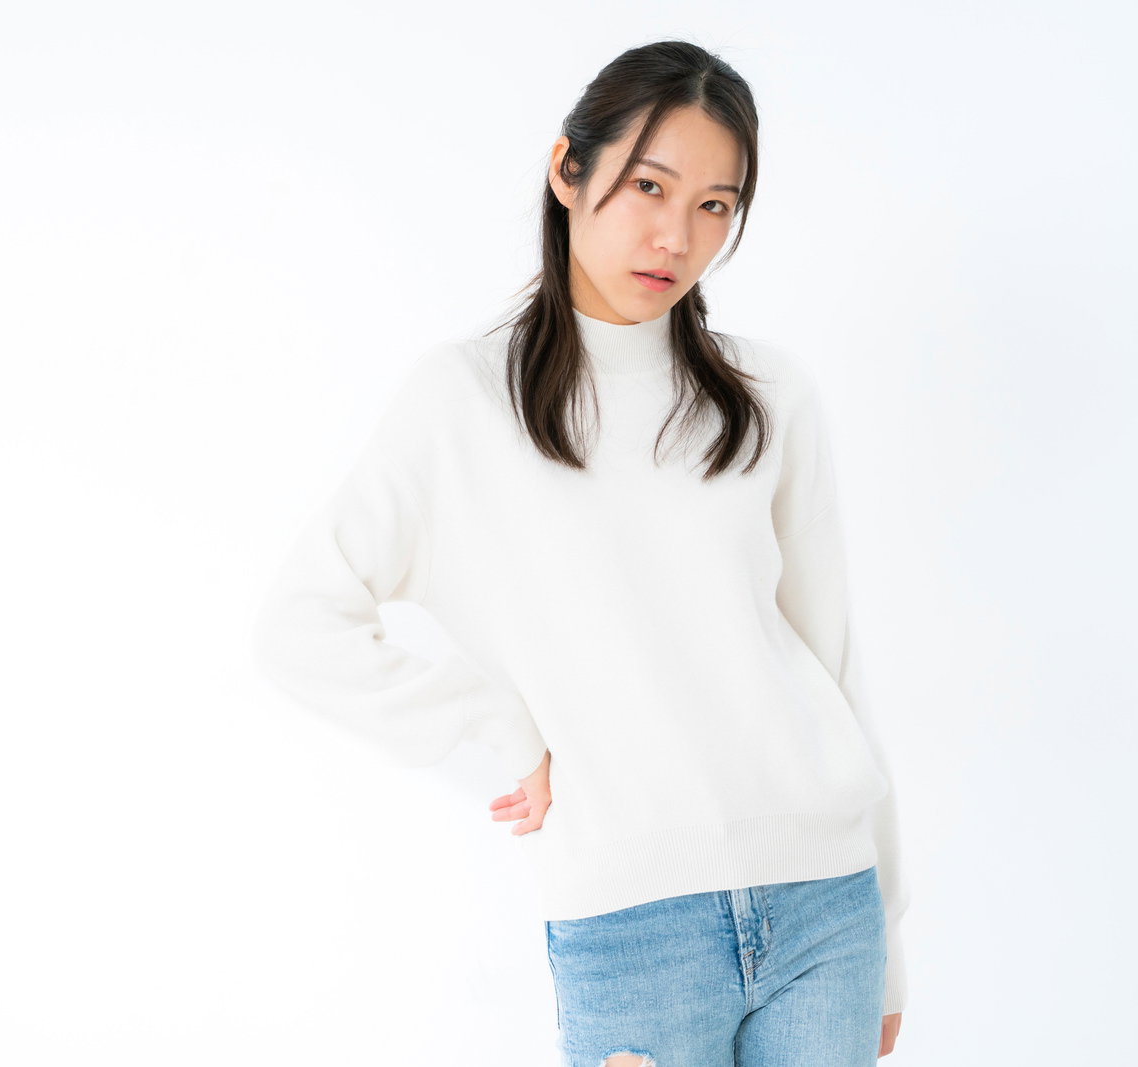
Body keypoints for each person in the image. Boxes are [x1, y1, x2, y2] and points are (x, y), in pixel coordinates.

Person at [249, 39, 910, 1066]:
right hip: (631, 925)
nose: (675, 235)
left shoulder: (770, 396)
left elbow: (834, 661)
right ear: (568, 169)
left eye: (714, 206)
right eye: (649, 185)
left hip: (825, 907)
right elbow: (300, 622)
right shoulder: (462, 401)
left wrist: (892, 940)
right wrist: (492, 728)